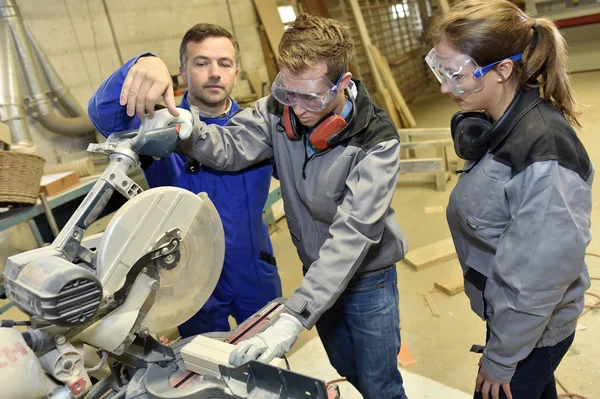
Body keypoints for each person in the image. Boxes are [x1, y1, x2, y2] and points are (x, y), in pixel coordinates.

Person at [135, 13, 409, 399]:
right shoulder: (275, 111)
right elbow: (230, 149)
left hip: (367, 277)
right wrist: (192, 131)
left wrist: (295, 315)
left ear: (343, 83)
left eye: (310, 96)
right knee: (346, 365)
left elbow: (354, 233)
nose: (296, 110)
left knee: (380, 383)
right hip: (316, 271)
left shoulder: (376, 142)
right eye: (288, 92)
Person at [426, 1, 593, 399]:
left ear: (503, 70)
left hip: (532, 330)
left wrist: (501, 358)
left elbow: (537, 281)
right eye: (440, 70)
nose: (445, 88)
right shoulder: (500, 121)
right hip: (512, 319)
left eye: (456, 75)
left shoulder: (543, 153)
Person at [87, 23, 282, 337]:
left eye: (224, 63)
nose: (214, 73)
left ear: (236, 71)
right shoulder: (159, 127)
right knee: (201, 369)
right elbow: (102, 113)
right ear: (183, 71)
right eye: (201, 63)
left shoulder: (257, 131)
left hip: (255, 268)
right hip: (192, 274)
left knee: (268, 357)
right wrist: (140, 64)